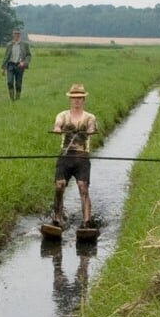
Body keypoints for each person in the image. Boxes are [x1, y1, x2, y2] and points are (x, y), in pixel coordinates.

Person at [49, 83, 102, 231]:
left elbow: (92, 127)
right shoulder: (62, 115)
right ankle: (57, 219)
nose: (76, 100)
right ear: (70, 99)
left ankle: (87, 221)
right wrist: (57, 129)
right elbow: (57, 125)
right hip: (65, 156)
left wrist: (90, 131)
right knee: (59, 185)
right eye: (74, 98)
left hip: (82, 157)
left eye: (79, 98)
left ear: (83, 100)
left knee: (82, 186)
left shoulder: (89, 117)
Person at [1, 27, 31, 100]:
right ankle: (12, 100)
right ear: (13, 35)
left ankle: (17, 100)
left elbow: (28, 55)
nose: (16, 35)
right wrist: (3, 68)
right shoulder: (9, 45)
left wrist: (24, 63)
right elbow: (6, 56)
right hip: (10, 65)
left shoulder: (25, 44)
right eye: (15, 34)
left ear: (19, 35)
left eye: (18, 34)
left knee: (18, 84)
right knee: (9, 82)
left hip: (19, 66)